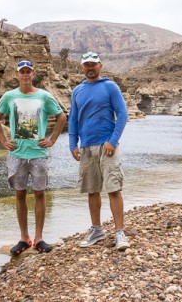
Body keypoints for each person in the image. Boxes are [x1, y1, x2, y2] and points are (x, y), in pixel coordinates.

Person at [0, 60, 66, 255]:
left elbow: (62, 116)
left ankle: (39, 238)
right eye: (22, 72)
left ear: (33, 74)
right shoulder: (9, 96)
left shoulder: (44, 96)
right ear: (17, 75)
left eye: (28, 72)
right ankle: (24, 238)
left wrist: (52, 140)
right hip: (17, 154)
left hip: (38, 154)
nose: (25, 75)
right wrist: (3, 140)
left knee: (40, 194)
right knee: (20, 194)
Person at [68, 51, 130, 251]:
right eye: (87, 64)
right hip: (85, 147)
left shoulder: (110, 87)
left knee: (113, 188)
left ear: (100, 65)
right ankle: (97, 230)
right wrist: (72, 144)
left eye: (93, 64)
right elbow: (73, 119)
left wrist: (113, 141)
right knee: (92, 190)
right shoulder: (78, 90)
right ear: (82, 67)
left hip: (107, 146)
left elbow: (122, 114)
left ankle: (119, 232)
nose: (90, 67)